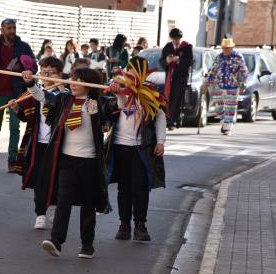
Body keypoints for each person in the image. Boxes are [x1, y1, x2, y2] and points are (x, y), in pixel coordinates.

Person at [23, 68, 114, 259]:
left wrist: (121, 92)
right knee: (63, 201)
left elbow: (115, 109)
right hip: (66, 160)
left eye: (78, 80)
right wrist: (30, 83)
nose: (72, 83)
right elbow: (43, 97)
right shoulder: (64, 99)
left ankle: (87, 245)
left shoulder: (97, 103)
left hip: (89, 161)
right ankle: (56, 241)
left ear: (89, 84)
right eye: (72, 79)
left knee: (88, 204)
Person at [106, 56, 166, 242]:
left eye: (136, 71)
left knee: (140, 187)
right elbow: (120, 106)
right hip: (120, 146)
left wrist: (161, 141)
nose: (132, 75)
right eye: (130, 71)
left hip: (142, 147)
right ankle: (124, 224)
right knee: (124, 188)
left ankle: (140, 224)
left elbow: (160, 117)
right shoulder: (119, 87)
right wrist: (118, 93)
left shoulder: (152, 92)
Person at [10, 56, 66, 230]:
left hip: (58, 144)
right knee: (40, 178)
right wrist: (17, 108)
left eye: (52, 73)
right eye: (44, 72)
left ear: (60, 74)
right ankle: (40, 212)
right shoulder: (32, 92)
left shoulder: (65, 95)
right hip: (38, 143)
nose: (47, 76)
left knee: (57, 177)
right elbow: (27, 118)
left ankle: (54, 205)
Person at [0, 18, 37, 172]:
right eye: (9, 28)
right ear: (2, 29)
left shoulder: (23, 47)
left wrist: (22, 68)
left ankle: (12, 159)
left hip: (17, 93)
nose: (12, 31)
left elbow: (34, 67)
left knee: (15, 127)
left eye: (14, 27)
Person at [206, 38, 248, 136]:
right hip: (219, 84)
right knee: (218, 107)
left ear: (232, 48)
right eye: (224, 48)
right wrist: (208, 80)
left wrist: (243, 84)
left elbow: (243, 71)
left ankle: (227, 126)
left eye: (227, 48)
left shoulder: (238, 57)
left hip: (232, 86)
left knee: (230, 107)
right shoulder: (219, 57)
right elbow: (213, 69)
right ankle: (225, 122)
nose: (225, 50)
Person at [159, 28, 193, 130]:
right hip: (169, 76)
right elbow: (161, 62)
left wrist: (179, 59)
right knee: (168, 97)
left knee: (177, 98)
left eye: (178, 39)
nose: (176, 41)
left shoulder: (186, 47)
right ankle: (168, 119)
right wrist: (167, 60)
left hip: (180, 76)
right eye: (174, 39)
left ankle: (173, 120)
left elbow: (190, 62)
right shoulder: (167, 47)